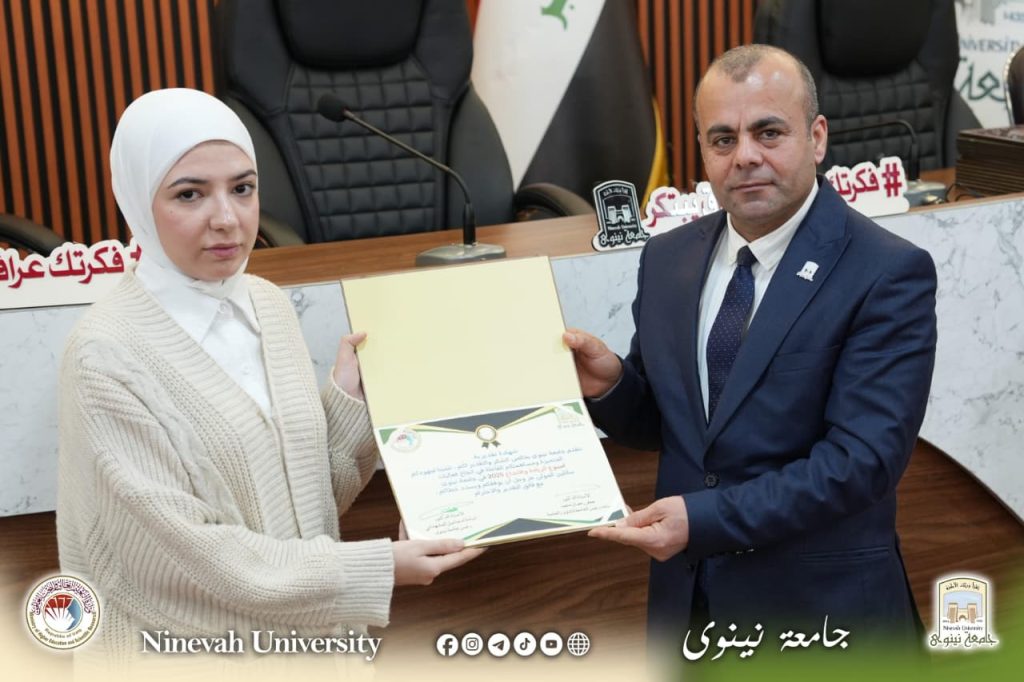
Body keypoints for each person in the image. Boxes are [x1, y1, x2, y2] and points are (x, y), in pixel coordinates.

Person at [57, 88, 481, 663]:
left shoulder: (267, 305)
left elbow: (295, 513)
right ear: (136, 203)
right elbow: (189, 559)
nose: (227, 219)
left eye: (243, 188)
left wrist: (348, 403)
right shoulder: (105, 355)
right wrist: (377, 568)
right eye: (189, 194)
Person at [564, 45, 937, 651]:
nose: (745, 157)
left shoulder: (886, 271)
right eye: (723, 139)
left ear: (817, 137)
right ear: (702, 149)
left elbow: (860, 462)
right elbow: (681, 427)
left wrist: (705, 520)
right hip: (690, 614)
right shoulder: (668, 259)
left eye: (769, 132)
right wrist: (612, 386)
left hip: (823, 620)